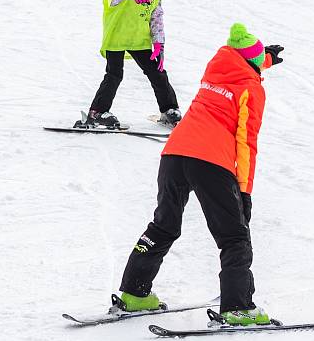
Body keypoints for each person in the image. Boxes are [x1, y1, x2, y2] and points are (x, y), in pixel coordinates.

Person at [116, 22, 284, 325]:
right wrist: (244, 191)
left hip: (174, 153)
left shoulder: (215, 72)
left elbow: (240, 64)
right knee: (234, 236)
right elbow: (246, 142)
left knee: (163, 226)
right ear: (250, 63)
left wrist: (264, 58)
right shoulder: (251, 89)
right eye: (258, 59)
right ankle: (238, 307)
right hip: (210, 160)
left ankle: (134, 293)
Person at [85, 0, 181, 128]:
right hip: (117, 37)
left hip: (139, 39)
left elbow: (156, 16)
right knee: (114, 75)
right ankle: (97, 112)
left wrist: (159, 43)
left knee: (158, 73)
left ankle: (169, 110)